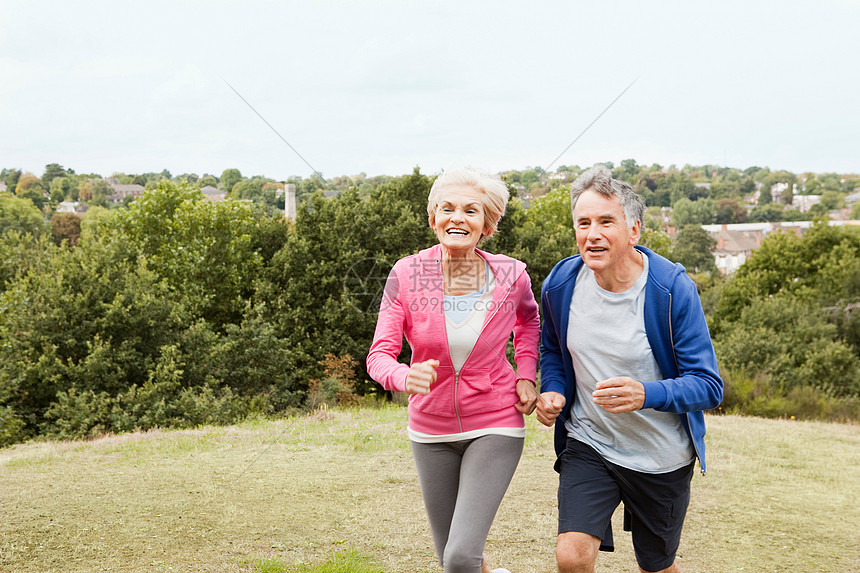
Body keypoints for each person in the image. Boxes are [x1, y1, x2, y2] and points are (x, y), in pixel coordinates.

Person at [535, 165, 723, 573]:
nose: (593, 233)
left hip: (660, 457)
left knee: (655, 566)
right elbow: (551, 348)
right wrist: (553, 389)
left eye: (606, 221)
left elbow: (709, 386)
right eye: (583, 223)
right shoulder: (561, 283)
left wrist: (647, 393)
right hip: (589, 442)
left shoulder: (671, 289)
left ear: (634, 230)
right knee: (571, 555)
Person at [367, 168, 541, 573]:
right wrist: (403, 376)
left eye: (470, 210)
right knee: (452, 560)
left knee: (461, 557)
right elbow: (379, 356)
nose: (457, 218)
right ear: (433, 219)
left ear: (487, 225)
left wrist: (525, 374)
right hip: (430, 430)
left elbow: (529, 323)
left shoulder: (511, 275)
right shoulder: (406, 275)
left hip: (495, 422)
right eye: (447, 209)